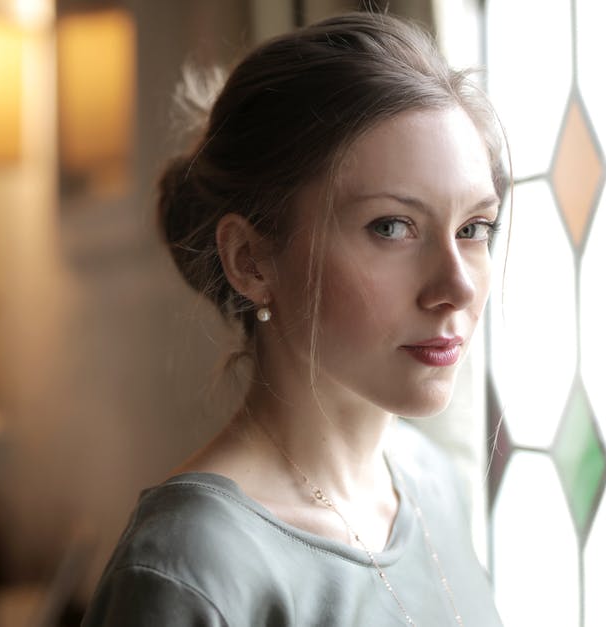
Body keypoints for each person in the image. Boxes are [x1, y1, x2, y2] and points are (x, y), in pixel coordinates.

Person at [82, 11, 507, 627]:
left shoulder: (428, 479)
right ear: (251, 260)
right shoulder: (191, 566)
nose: (457, 286)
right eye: (391, 227)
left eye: (474, 228)